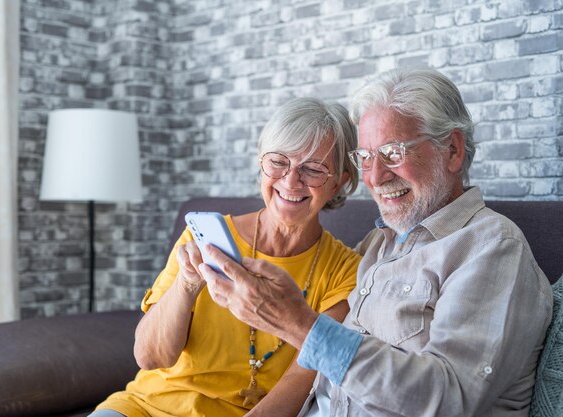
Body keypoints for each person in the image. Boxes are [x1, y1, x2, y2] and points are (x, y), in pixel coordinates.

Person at [200, 68, 554, 416]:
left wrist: (297, 323)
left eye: (393, 153)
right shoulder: (376, 246)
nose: (375, 177)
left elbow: (448, 399)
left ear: (453, 150)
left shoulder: (492, 248)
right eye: (366, 157)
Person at [91, 97, 362, 417]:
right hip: (144, 407)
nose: (290, 181)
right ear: (261, 163)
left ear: (340, 182)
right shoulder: (203, 236)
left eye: (313, 169)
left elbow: (302, 379)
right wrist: (187, 285)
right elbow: (150, 357)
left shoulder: (346, 272)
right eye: (278, 161)